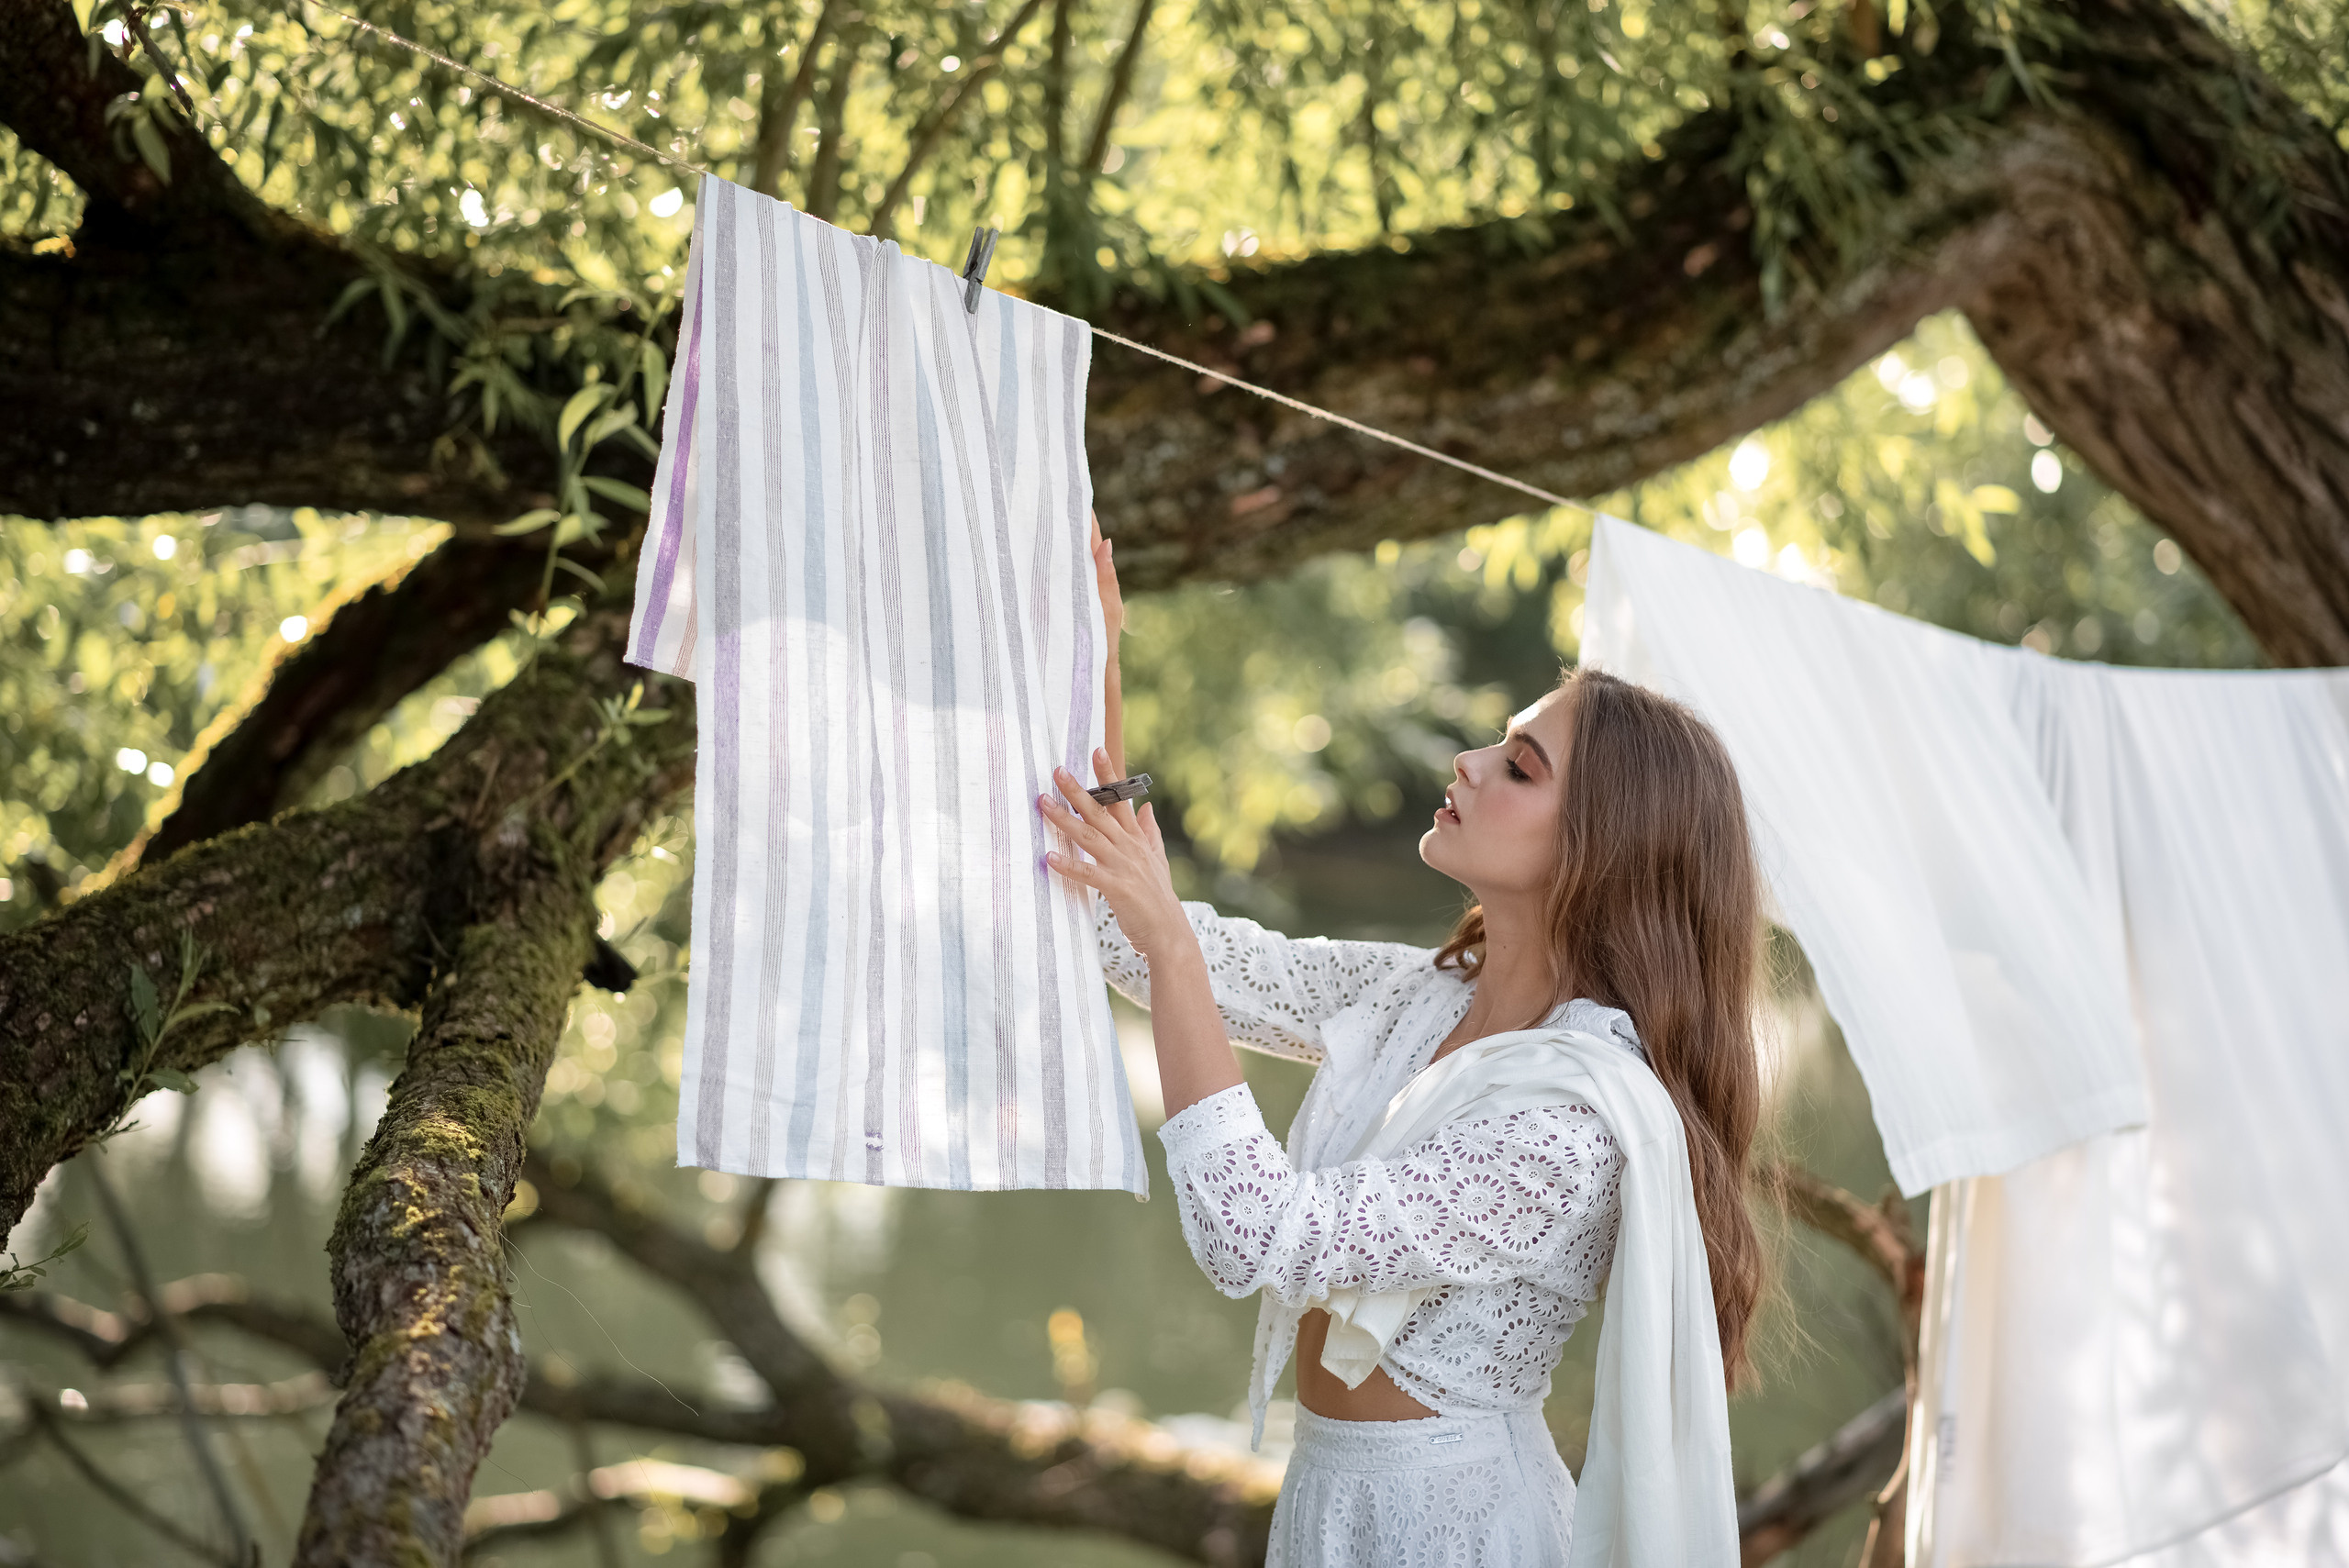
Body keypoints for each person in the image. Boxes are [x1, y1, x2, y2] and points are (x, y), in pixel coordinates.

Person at [1038, 525, 1762, 1566]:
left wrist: (1168, 942)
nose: (1466, 762)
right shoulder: (1408, 996)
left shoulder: (1572, 1127)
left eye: (1517, 765)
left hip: (1459, 1527)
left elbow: (1253, 1229)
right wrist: (1097, 654)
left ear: (1601, 848)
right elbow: (1123, 928)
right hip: (1327, 1500)